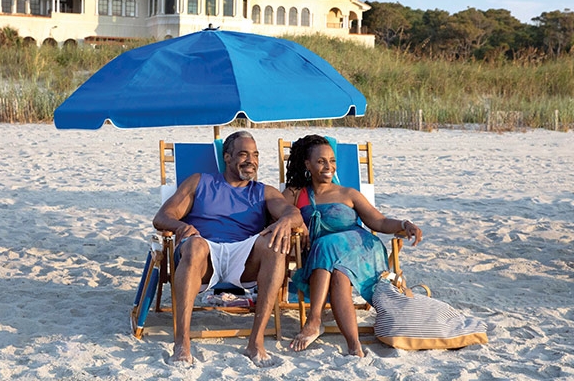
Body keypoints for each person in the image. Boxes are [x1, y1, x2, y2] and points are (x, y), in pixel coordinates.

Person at [153, 131, 305, 366]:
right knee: (193, 246)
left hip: (244, 256)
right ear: (227, 157)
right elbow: (163, 216)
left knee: (275, 248)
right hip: (205, 250)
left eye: (255, 155)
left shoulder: (263, 191)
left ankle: (255, 343)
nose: (251, 160)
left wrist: (286, 221)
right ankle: (182, 342)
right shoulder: (200, 182)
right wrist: (181, 226)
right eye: (243, 154)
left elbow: (291, 213)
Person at [282, 135, 423, 357]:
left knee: (327, 243)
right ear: (307, 164)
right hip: (326, 261)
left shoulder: (348, 193)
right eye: (321, 161)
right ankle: (353, 344)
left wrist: (404, 224)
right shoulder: (295, 193)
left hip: (361, 250)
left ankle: (314, 319)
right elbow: (277, 215)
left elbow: (379, 221)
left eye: (332, 161)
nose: (329, 166)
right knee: (339, 274)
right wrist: (298, 221)